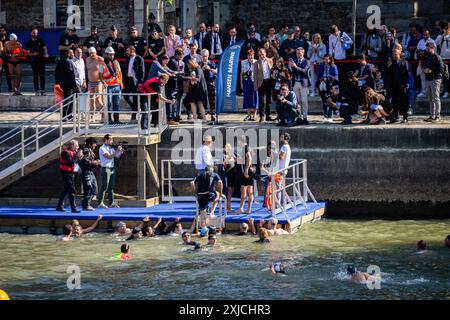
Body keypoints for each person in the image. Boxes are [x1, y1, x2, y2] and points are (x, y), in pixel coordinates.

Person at [56, 140, 83, 213]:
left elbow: (77, 162)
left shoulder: (74, 153)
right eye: (76, 145)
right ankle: (73, 208)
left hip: (72, 173)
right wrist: (77, 156)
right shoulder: (65, 153)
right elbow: (71, 162)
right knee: (72, 189)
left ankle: (59, 205)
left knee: (66, 189)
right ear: (71, 146)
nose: (78, 147)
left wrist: (79, 157)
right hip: (66, 173)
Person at [97, 134, 123, 208]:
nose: (112, 141)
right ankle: (100, 203)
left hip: (112, 168)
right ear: (106, 140)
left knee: (111, 186)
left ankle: (111, 203)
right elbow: (109, 157)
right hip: (105, 168)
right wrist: (117, 150)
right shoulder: (102, 148)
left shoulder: (111, 148)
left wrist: (121, 151)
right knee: (104, 185)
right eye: (111, 139)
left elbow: (116, 156)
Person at [422, 42, 445, 122]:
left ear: (433, 48)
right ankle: (432, 115)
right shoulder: (427, 56)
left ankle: (438, 116)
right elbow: (424, 65)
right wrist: (424, 69)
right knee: (430, 99)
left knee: (436, 98)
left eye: (428, 49)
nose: (427, 50)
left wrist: (431, 71)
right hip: (428, 78)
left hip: (435, 79)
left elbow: (441, 69)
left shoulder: (437, 57)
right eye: (426, 49)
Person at [386, 48, 409, 123]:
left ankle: (405, 117)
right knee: (394, 102)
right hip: (393, 85)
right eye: (393, 54)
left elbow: (406, 74)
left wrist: (404, 85)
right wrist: (388, 67)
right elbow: (389, 74)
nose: (394, 56)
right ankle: (395, 117)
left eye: (396, 54)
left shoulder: (404, 62)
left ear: (399, 54)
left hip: (401, 85)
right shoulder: (391, 62)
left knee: (403, 102)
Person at [101, 47, 123, 124]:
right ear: (106, 55)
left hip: (117, 86)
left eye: (113, 55)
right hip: (108, 87)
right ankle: (109, 119)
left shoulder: (116, 62)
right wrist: (104, 83)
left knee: (116, 104)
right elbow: (100, 76)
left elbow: (120, 73)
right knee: (108, 104)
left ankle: (116, 120)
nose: (112, 56)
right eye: (110, 55)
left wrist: (121, 84)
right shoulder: (102, 64)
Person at [124, 46, 145, 122]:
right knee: (125, 95)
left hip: (135, 80)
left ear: (132, 50)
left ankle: (133, 116)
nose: (127, 52)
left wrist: (140, 82)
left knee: (135, 97)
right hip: (128, 80)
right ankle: (134, 108)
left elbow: (142, 71)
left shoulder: (139, 59)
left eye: (128, 50)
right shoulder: (128, 58)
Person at [289, 47, 310, 124]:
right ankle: (299, 116)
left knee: (304, 101)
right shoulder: (294, 61)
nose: (299, 55)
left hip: (303, 83)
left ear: (303, 53)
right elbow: (291, 72)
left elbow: (304, 71)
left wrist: (295, 67)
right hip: (295, 83)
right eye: (297, 53)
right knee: (297, 101)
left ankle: (305, 117)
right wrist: (290, 67)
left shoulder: (306, 62)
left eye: (300, 53)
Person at [55, 50, 77, 120]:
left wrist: (57, 83)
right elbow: (71, 74)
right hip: (69, 83)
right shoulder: (68, 62)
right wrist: (74, 85)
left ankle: (69, 114)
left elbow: (56, 73)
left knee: (69, 99)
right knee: (68, 99)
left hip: (62, 83)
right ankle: (65, 115)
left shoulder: (59, 62)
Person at [254, 48, 274, 122]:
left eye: (262, 54)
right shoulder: (256, 63)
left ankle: (268, 115)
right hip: (260, 83)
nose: (261, 56)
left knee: (268, 100)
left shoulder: (270, 60)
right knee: (261, 100)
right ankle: (261, 116)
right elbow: (255, 75)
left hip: (268, 81)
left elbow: (272, 71)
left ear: (265, 53)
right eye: (260, 54)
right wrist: (256, 86)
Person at [79, 137, 100, 210]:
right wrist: (94, 162)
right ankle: (86, 205)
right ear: (90, 144)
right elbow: (84, 161)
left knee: (95, 189)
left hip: (91, 172)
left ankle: (85, 203)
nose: (95, 145)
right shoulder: (86, 151)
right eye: (94, 143)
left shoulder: (91, 151)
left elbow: (89, 161)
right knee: (88, 188)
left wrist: (96, 162)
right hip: (86, 172)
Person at [26, 28, 48, 96]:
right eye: (34, 33)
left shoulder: (41, 40)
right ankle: (37, 90)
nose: (35, 34)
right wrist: (33, 54)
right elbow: (28, 53)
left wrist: (46, 53)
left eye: (36, 33)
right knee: (35, 76)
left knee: (42, 76)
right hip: (34, 61)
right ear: (31, 33)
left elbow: (44, 48)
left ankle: (42, 90)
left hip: (41, 60)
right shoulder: (29, 42)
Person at [85, 47, 105, 123]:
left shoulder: (100, 59)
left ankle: (103, 116)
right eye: (90, 53)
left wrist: (104, 80)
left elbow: (104, 68)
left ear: (95, 52)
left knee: (98, 99)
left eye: (92, 53)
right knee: (91, 100)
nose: (91, 55)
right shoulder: (87, 59)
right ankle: (92, 116)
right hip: (90, 82)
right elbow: (87, 70)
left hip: (98, 81)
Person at [166, 48, 185, 125]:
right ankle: (170, 118)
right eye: (181, 57)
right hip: (172, 84)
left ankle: (172, 117)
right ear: (177, 55)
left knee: (172, 101)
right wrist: (183, 74)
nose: (181, 58)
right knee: (171, 100)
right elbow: (177, 73)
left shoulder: (173, 60)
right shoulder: (173, 62)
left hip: (173, 84)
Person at [235, 143, 255, 214]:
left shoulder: (245, 148)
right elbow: (247, 159)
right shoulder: (249, 147)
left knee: (244, 190)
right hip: (251, 171)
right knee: (250, 190)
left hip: (248, 171)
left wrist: (246, 169)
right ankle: (248, 209)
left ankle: (241, 208)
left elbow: (249, 158)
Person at [200, 49, 217, 123]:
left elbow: (217, 72)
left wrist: (210, 69)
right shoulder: (199, 64)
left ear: (208, 56)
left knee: (212, 99)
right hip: (202, 84)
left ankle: (212, 114)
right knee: (203, 99)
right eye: (203, 56)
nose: (204, 58)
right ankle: (204, 115)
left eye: (206, 56)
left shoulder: (212, 63)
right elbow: (195, 73)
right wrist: (202, 69)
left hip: (210, 83)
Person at [241, 50, 258, 121]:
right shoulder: (243, 62)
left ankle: (254, 115)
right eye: (249, 55)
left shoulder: (257, 62)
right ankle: (248, 115)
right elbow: (242, 73)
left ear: (253, 55)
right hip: (246, 81)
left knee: (255, 97)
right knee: (247, 97)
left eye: (251, 55)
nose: (250, 56)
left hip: (254, 82)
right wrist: (242, 83)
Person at [436, 22, 450, 99]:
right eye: (445, 28)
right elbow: (435, 43)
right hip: (444, 59)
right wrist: (442, 35)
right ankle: (445, 91)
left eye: (448, 28)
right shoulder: (441, 36)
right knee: (445, 76)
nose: (447, 30)